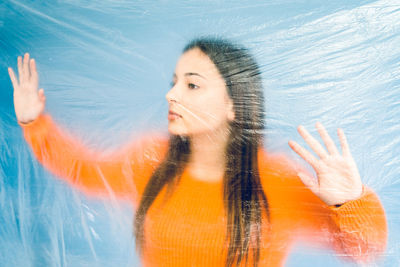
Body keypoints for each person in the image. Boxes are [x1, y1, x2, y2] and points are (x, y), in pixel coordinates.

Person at [8, 38, 387, 267]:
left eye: (192, 85)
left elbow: (363, 252)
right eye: (173, 83)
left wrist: (352, 201)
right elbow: (84, 171)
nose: (170, 95)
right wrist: (33, 122)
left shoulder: (279, 183)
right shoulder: (152, 162)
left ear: (234, 105)